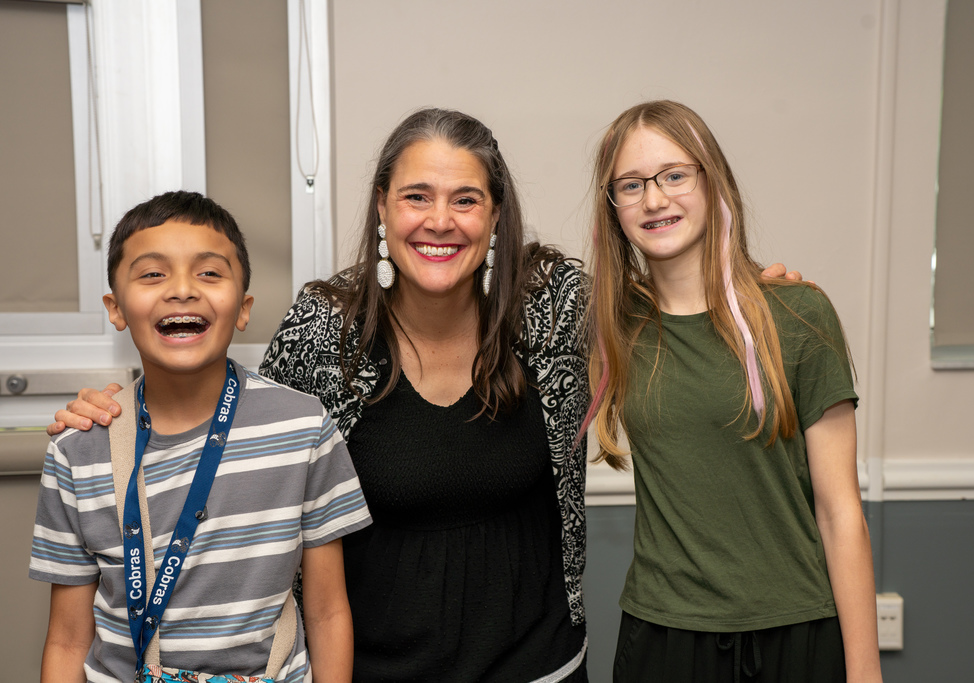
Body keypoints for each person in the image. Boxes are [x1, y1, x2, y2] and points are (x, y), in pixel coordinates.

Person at [48, 109, 797, 682]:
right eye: (416, 197)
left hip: (541, 666)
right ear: (382, 208)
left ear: (495, 215)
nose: (440, 220)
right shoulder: (327, 326)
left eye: (466, 199)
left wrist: (748, 290)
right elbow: (233, 420)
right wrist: (115, 414)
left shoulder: (553, 302)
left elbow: (669, 309)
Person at [585, 101, 882, 682]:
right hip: (665, 637)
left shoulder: (798, 315)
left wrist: (866, 671)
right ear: (612, 206)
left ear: (712, 181)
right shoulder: (608, 326)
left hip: (796, 630)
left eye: (675, 175)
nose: (654, 199)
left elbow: (840, 511)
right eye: (631, 185)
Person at [31, 191, 371, 682]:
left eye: (209, 272)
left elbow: (328, 612)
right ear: (115, 308)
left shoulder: (303, 427)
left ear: (244, 308)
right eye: (153, 274)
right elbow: (66, 640)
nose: (182, 290)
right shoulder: (77, 449)